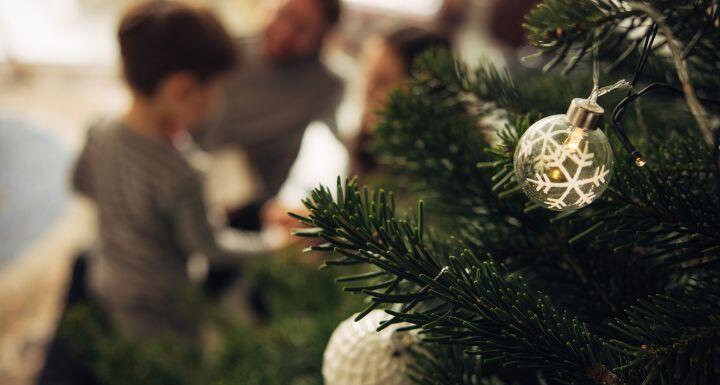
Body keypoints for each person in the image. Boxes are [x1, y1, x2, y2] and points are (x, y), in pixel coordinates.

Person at [71, 1, 278, 341]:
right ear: (182, 89)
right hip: (162, 303)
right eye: (216, 87)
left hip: (107, 278)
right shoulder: (185, 172)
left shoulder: (100, 130)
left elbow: (80, 184)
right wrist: (271, 244)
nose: (219, 98)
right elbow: (209, 247)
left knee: (125, 353)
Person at [195, 0, 344, 230]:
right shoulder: (231, 49)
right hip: (193, 178)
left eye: (302, 28)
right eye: (283, 16)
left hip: (252, 207)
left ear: (322, 37)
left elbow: (340, 145)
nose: (284, 32)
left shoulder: (326, 85)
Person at [352, 27, 452, 176]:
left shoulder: (445, 170)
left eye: (383, 81)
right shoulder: (369, 150)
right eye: (368, 77)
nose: (368, 91)